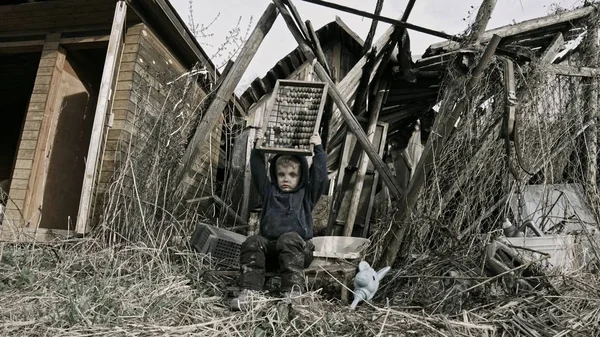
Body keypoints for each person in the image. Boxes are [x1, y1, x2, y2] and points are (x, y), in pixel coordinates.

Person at [230, 129, 328, 310]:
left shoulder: (306, 194)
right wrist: (258, 149)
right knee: (253, 241)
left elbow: (320, 177)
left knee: (288, 238)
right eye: (281, 174)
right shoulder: (269, 192)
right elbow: (258, 171)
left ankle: (293, 292)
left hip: (298, 251)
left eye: (292, 175)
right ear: (275, 175)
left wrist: (319, 150)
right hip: (272, 250)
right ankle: (250, 292)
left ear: (301, 176)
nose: (286, 179)